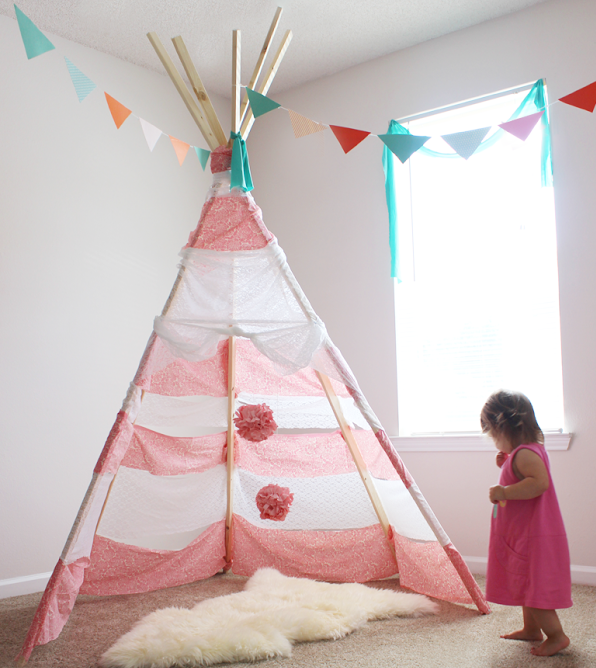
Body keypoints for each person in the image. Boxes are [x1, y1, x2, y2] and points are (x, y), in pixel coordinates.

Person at [481, 390, 572, 657]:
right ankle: (531, 630)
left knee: (535, 587)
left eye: (493, 435)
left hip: (533, 537)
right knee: (525, 583)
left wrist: (504, 492)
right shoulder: (523, 453)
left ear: (503, 427)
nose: (493, 441)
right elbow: (525, 473)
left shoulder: (525, 455)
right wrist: (508, 461)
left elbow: (539, 483)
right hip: (524, 535)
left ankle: (556, 635)